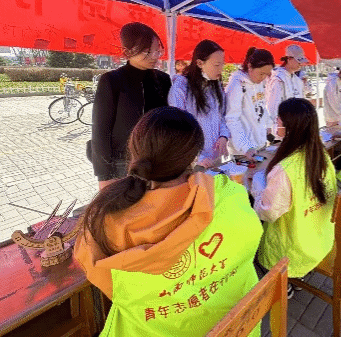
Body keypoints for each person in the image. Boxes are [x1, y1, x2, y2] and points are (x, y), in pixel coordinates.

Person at [75, 107, 263, 337]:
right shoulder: (228, 193)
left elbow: (108, 285)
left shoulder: (106, 222)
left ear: (134, 152)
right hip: (239, 326)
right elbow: (251, 240)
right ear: (194, 157)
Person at [251, 98, 337, 284]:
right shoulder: (321, 155)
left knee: (254, 255)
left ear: (289, 127)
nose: (276, 123)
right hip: (320, 238)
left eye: (278, 120)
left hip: (293, 252)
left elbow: (267, 213)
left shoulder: (284, 170)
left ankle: (286, 285)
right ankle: (298, 278)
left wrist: (257, 187)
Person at [91, 22, 171, 190]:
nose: (154, 56)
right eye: (147, 51)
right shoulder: (111, 81)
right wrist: (104, 175)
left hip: (157, 160)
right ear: (127, 52)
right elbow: (100, 130)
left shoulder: (163, 80)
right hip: (123, 163)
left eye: (157, 50)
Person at [168, 40, 230, 169]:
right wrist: (197, 158)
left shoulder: (216, 86)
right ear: (200, 63)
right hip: (193, 162)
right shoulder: (181, 87)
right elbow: (178, 130)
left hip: (216, 159)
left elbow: (222, 117)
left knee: (224, 181)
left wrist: (224, 136)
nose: (221, 69)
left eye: (222, 64)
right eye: (217, 65)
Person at [225, 47, 275, 160]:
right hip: (243, 151)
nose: (263, 78)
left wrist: (268, 124)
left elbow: (262, 106)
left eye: (267, 74)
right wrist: (246, 147)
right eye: (261, 73)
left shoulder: (259, 83)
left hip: (259, 144)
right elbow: (231, 119)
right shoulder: (237, 85)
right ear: (250, 66)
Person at [265, 44, 309, 135]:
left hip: (296, 127)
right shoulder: (278, 79)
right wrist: (277, 130)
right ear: (289, 59)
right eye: (298, 60)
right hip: (282, 131)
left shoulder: (297, 80)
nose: (300, 64)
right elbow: (273, 107)